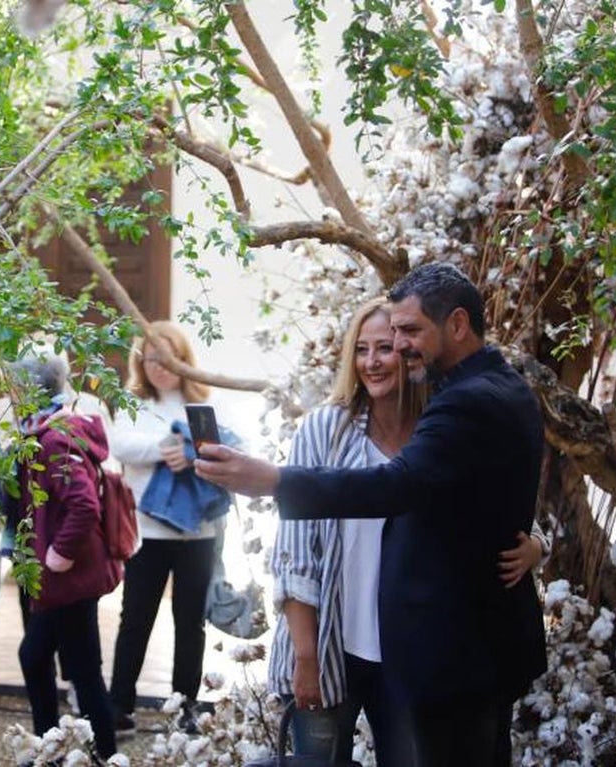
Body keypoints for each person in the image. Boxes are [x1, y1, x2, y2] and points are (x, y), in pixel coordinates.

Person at [196, 262, 547, 766]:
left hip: (442, 658)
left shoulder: (455, 408)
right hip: (365, 648)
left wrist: (272, 480)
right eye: (370, 345)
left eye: (406, 334)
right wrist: (306, 654)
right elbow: (300, 555)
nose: (394, 350)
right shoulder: (493, 390)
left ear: (457, 325)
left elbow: (400, 486)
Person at [108, 321, 234, 735]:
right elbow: (120, 445)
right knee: (135, 617)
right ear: (140, 363)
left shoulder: (205, 403)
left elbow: (227, 451)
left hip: (198, 532)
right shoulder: (133, 402)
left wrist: (192, 455)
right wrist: (167, 448)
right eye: (151, 359)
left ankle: (186, 706)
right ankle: (119, 706)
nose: (159, 367)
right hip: (146, 531)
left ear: (183, 359)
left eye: (167, 358)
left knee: (190, 622)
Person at [8, 354, 120, 760]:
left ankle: (78, 753)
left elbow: (84, 506)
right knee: (63, 663)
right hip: (68, 575)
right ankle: (59, 751)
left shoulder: (54, 438)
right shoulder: (46, 430)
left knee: (64, 664)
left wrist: (58, 555)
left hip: (68, 575)